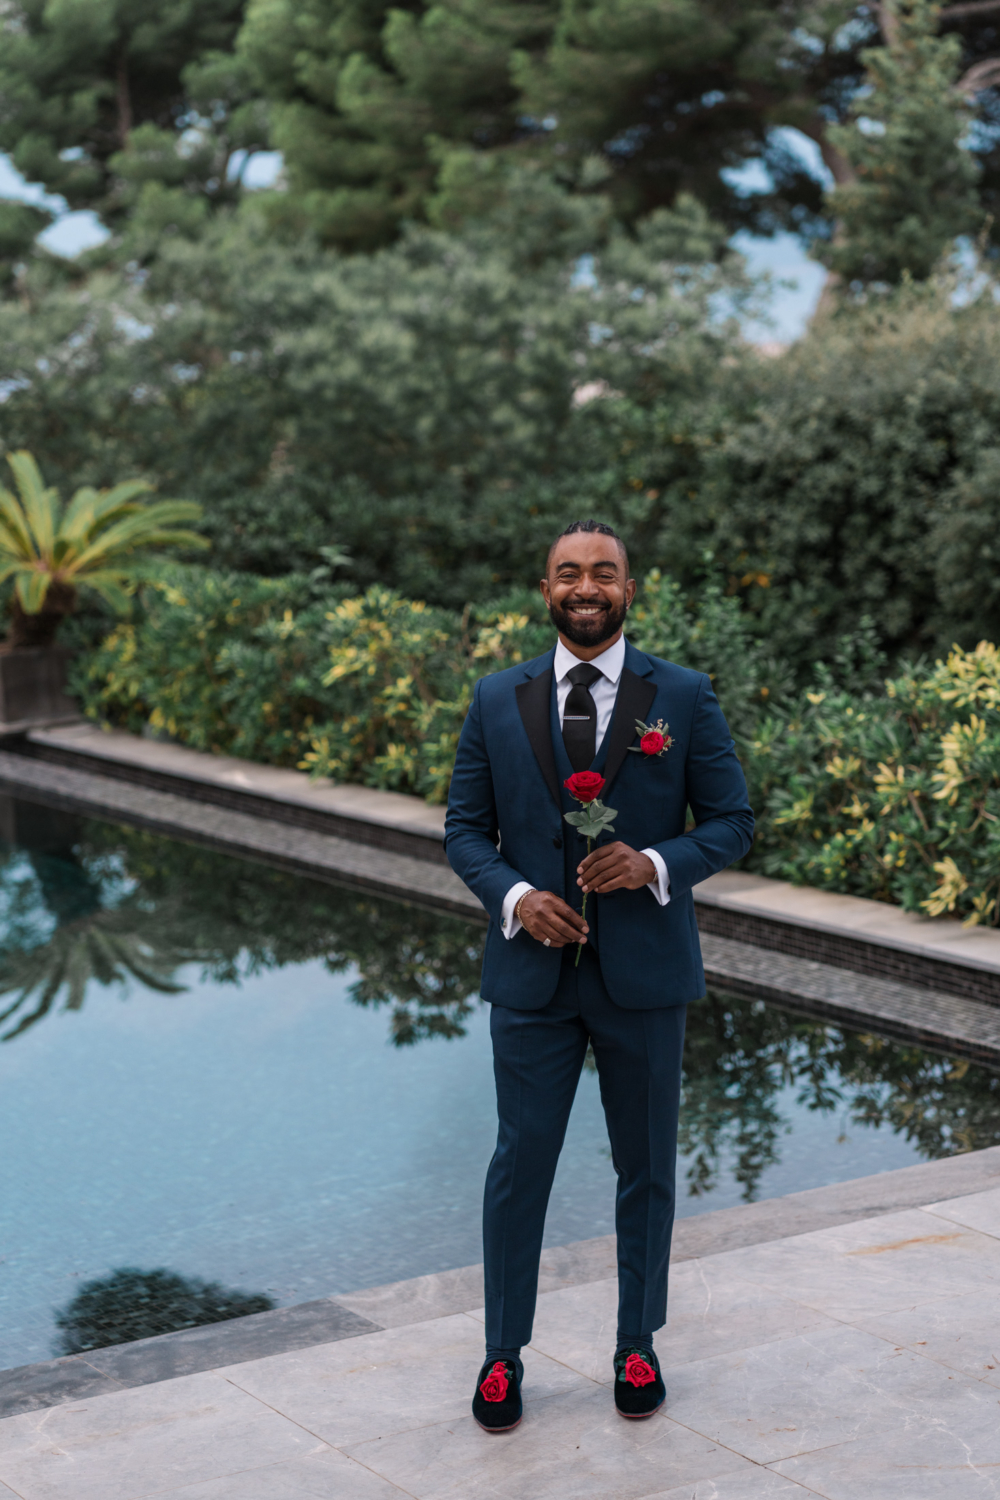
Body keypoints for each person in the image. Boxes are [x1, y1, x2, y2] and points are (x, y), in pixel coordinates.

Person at [444, 519, 754, 1431]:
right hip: (531, 978)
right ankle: (502, 1356)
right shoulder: (496, 697)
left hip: (645, 976)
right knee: (518, 1167)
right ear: (545, 590)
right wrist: (514, 899)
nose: (587, 587)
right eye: (568, 573)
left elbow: (731, 821)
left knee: (646, 1168)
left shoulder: (684, 698)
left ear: (630, 589)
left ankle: (637, 1343)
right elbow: (465, 829)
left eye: (604, 574)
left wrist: (655, 864)